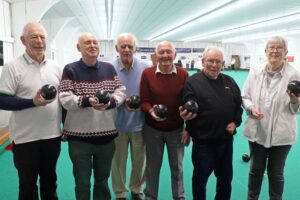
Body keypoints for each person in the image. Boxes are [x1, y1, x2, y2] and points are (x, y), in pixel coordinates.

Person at [59, 33, 126, 200]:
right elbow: (65, 99)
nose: (92, 45)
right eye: (87, 43)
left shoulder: (109, 69)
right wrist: (88, 101)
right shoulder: (70, 69)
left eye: (95, 42)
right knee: (82, 182)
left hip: (106, 137)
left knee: (102, 180)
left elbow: (120, 93)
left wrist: (110, 102)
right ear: (78, 48)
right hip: (79, 140)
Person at [0, 22, 62, 200]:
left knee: (50, 181)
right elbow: (3, 100)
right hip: (25, 138)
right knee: (27, 185)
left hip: (52, 136)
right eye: (34, 37)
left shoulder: (55, 67)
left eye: (43, 37)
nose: (39, 41)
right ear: (23, 40)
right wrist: (32, 102)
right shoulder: (12, 67)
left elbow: (61, 100)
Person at [180, 46, 243, 200]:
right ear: (203, 61)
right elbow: (188, 105)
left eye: (218, 62)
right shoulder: (192, 82)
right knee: (200, 181)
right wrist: (186, 121)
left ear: (223, 64)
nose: (214, 65)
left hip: (226, 142)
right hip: (203, 144)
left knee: (225, 180)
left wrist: (235, 123)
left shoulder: (230, 81)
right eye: (210, 61)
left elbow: (238, 107)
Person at [242, 36, 300, 200]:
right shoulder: (255, 71)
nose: (275, 50)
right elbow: (245, 96)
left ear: (286, 52)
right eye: (271, 47)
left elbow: (296, 109)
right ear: (265, 51)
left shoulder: (295, 75)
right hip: (258, 131)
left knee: (276, 173)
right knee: (256, 170)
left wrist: (295, 100)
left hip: (282, 135)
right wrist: (250, 108)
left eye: (279, 48)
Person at [140, 41, 190, 200]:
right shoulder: (147, 73)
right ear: (156, 55)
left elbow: (188, 102)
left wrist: (187, 127)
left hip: (176, 130)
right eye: (161, 52)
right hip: (152, 129)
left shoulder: (183, 74)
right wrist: (150, 111)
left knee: (178, 168)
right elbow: (144, 100)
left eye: (169, 52)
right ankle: (150, 196)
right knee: (152, 168)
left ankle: (179, 197)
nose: (165, 55)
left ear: (175, 55)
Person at [111, 33, 148, 200]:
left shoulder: (146, 67)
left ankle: (136, 188)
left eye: (130, 46)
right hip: (116, 124)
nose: (126, 49)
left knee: (140, 161)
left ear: (136, 48)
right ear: (116, 48)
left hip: (140, 124)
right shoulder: (109, 68)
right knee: (117, 162)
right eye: (123, 46)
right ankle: (120, 192)